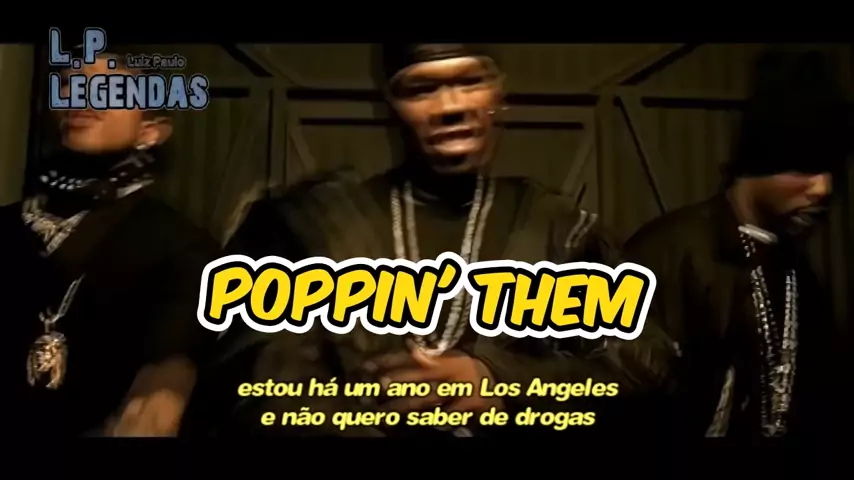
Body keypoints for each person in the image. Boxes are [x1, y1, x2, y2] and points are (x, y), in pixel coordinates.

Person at [192, 44, 675, 437]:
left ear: (499, 92)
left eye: (470, 81)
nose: (451, 108)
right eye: (422, 89)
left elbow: (644, 367)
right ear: (388, 104)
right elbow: (252, 389)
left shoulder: (558, 227)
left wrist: (502, 380)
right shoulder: (312, 224)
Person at [624, 50, 853, 438]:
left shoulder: (800, 277)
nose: (823, 188)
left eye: (831, 168)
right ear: (759, 159)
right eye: (804, 165)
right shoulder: (666, 256)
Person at [1, 48, 219, 437]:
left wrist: (165, 385)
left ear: (149, 131)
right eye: (70, 84)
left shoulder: (181, 246)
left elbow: (176, 346)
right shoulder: (7, 226)